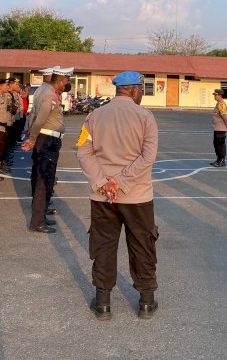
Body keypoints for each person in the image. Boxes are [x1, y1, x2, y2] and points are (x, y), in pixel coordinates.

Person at [77, 71, 160, 320]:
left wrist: (103, 183)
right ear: (134, 90)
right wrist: (121, 182)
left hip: (104, 198)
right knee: (142, 245)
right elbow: (148, 157)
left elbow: (83, 152)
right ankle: (146, 301)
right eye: (142, 90)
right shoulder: (146, 117)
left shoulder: (94, 116)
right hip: (137, 197)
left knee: (103, 246)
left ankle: (102, 303)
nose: (142, 94)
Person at [22, 68, 72, 233]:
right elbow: (40, 119)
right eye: (66, 80)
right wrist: (32, 138)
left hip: (47, 139)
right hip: (47, 141)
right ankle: (37, 221)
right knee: (45, 181)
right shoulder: (49, 95)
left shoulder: (47, 91)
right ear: (59, 81)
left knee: (42, 178)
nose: (67, 83)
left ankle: (40, 216)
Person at [210, 88, 227, 167]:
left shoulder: (221, 104)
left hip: (221, 128)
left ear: (220, 95)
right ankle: (218, 159)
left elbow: (224, 115)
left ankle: (222, 160)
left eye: (215, 95)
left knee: (220, 144)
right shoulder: (218, 103)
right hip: (217, 128)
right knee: (216, 144)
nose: (214, 96)